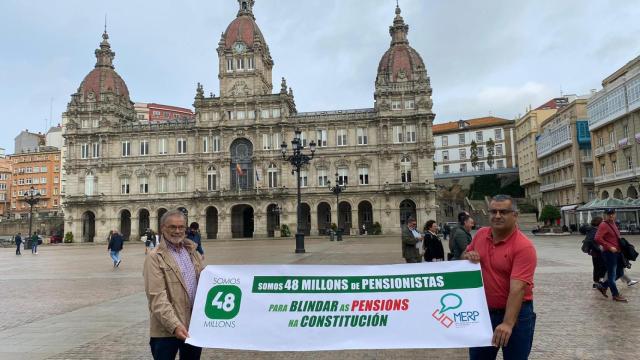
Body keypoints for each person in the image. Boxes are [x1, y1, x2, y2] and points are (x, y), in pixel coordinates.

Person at [464, 194, 537, 359]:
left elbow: (518, 289)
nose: (497, 216)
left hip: (517, 315)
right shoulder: (481, 234)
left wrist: (508, 323)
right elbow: (463, 256)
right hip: (484, 313)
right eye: (493, 212)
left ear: (515, 215)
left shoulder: (523, 246)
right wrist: (468, 255)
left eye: (503, 212)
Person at [144, 209, 204, 360]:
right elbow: (156, 297)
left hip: (193, 327)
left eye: (181, 227)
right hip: (166, 330)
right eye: (172, 227)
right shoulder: (154, 257)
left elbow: (204, 287)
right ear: (163, 228)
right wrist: (174, 325)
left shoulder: (193, 252)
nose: (177, 231)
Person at [595, 208, 628, 302]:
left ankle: (603, 286)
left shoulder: (613, 223)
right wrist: (609, 247)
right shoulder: (603, 224)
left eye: (612, 214)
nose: (611, 215)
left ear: (615, 214)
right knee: (612, 274)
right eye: (609, 214)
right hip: (609, 253)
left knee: (620, 273)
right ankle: (615, 295)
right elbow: (597, 238)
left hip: (617, 252)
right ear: (605, 215)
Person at [584, 217, 607, 292]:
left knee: (597, 267)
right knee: (600, 266)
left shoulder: (592, 230)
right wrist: (599, 248)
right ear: (599, 223)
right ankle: (598, 282)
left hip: (595, 252)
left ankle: (597, 282)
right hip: (597, 252)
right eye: (602, 221)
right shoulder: (594, 230)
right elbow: (592, 241)